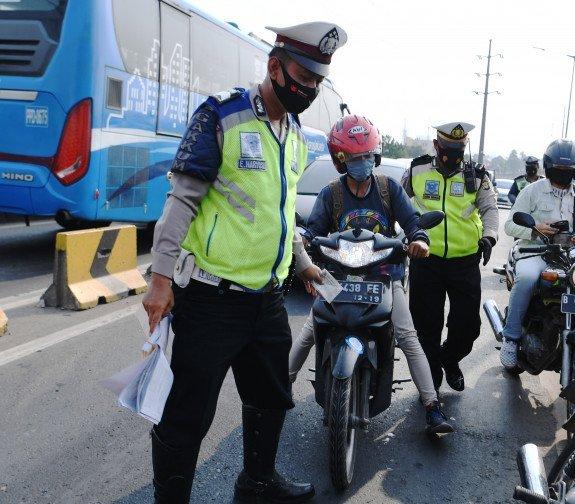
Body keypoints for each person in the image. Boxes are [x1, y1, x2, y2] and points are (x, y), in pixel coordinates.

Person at [141, 22, 347, 504]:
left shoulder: (294, 135)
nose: (310, 88)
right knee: (188, 415)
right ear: (274, 67)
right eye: (303, 76)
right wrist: (160, 279)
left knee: (272, 399)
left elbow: (280, 214)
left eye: (318, 81)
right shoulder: (222, 115)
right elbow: (182, 201)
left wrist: (303, 264)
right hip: (212, 298)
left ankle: (257, 482)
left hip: (267, 300)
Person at [288, 115, 454, 434]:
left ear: (374, 156)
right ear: (341, 161)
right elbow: (312, 232)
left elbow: (413, 222)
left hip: (384, 274)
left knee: (406, 335)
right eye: (354, 158)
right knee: (311, 328)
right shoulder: (331, 193)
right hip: (338, 276)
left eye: (366, 156)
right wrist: (305, 256)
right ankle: (280, 390)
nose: (361, 163)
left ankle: (432, 405)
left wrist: (419, 240)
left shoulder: (388, 188)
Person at [403, 122, 499, 392]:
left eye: (459, 148)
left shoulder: (478, 176)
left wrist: (489, 236)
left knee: (468, 327)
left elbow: (490, 209)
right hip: (425, 259)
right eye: (448, 148)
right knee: (426, 327)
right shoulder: (417, 170)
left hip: (464, 262)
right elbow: (396, 202)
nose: (454, 153)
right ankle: (431, 381)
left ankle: (450, 358)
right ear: (436, 146)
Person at [500, 139, 575, 368]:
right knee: (526, 279)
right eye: (559, 170)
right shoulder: (532, 191)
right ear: (548, 167)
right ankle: (511, 338)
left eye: (569, 170)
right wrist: (535, 229)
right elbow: (509, 226)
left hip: (567, 256)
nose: (563, 175)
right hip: (534, 251)